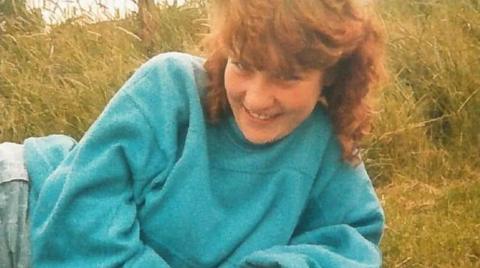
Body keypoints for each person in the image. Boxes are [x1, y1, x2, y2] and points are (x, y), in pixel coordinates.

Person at [0, 0, 387, 267]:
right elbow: (81, 213)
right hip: (23, 205)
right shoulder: (171, 87)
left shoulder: (324, 146)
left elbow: (351, 242)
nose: (255, 97)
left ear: (331, 75)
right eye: (243, 63)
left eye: (287, 77)